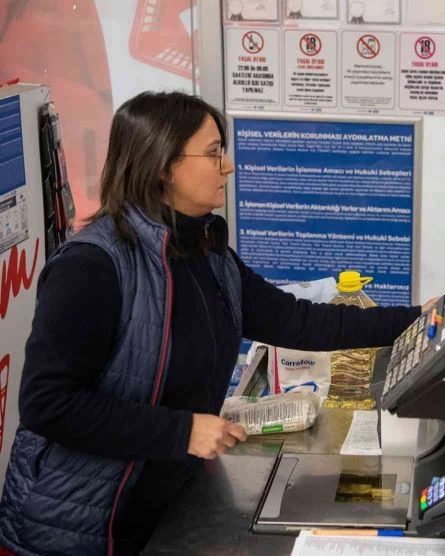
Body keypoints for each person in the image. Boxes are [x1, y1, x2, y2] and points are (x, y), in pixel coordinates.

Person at [0, 91, 423, 555]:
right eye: (214, 152)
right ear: (163, 165)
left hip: (168, 506)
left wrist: (421, 320)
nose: (229, 166)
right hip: (79, 528)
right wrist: (180, 432)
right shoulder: (93, 267)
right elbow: (47, 403)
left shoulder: (208, 254)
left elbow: (299, 321)